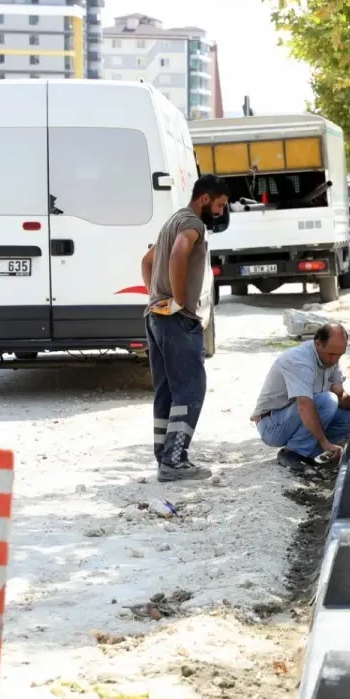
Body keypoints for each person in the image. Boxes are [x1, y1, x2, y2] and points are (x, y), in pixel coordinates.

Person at [140, 174, 230, 482]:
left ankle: (164, 456)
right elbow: (178, 253)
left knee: (167, 390)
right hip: (177, 320)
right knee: (191, 389)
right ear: (205, 199)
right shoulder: (192, 224)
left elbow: (147, 261)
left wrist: (157, 298)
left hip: (156, 317)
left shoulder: (172, 221)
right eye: (219, 205)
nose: (220, 212)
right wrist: (178, 301)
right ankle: (175, 460)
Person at [251, 323, 350, 472]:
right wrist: (324, 442)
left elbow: (340, 395)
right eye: (332, 354)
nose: (334, 360)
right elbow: (304, 406)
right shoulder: (299, 361)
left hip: (294, 418)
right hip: (272, 425)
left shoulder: (331, 357)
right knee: (328, 401)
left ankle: (309, 454)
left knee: (348, 416)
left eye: (340, 354)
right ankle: (292, 453)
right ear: (318, 344)